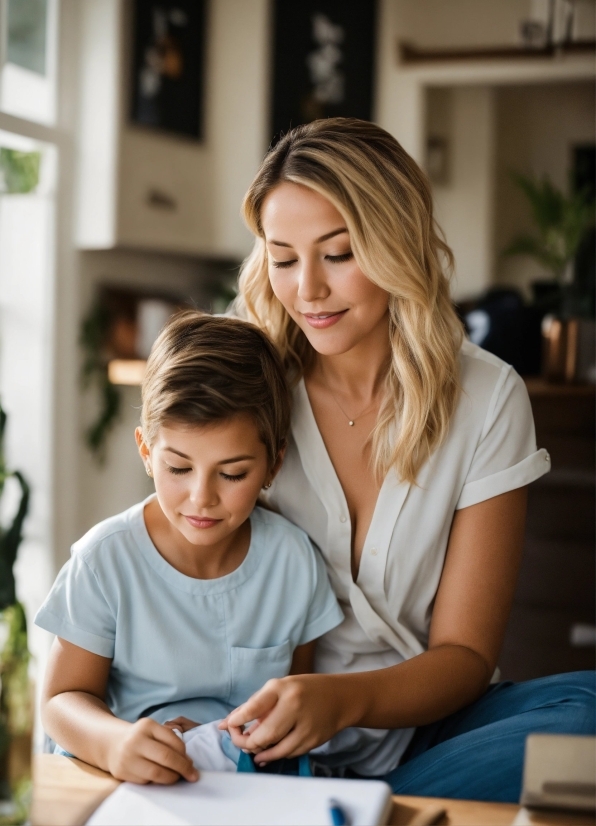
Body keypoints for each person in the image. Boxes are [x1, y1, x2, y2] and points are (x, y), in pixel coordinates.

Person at [219, 118, 595, 802]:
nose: (306, 289)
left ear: (395, 243)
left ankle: (374, 802)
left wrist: (341, 700)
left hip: (427, 727)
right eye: (282, 256)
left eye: (337, 253)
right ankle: (376, 806)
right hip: (257, 734)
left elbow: (465, 654)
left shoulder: (487, 397)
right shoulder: (245, 385)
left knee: (589, 712)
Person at [36, 312, 343, 784]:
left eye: (233, 473)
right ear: (145, 450)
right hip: (123, 785)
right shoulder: (106, 562)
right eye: (178, 468)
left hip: (244, 792)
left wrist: (228, 736)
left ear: (273, 464)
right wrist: (116, 742)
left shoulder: (293, 563)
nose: (202, 497)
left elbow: (295, 703)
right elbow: (60, 701)